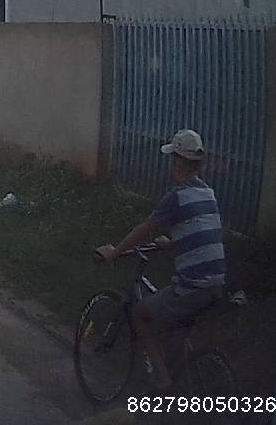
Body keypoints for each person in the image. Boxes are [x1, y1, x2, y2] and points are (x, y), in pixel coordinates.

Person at [94, 128, 227, 390]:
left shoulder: (176, 197)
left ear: (178, 161)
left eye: (172, 158)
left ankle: (162, 381)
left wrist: (115, 252)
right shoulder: (207, 192)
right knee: (174, 326)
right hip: (217, 282)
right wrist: (175, 243)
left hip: (194, 286)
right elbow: (203, 233)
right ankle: (179, 380)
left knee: (140, 314)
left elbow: (145, 229)